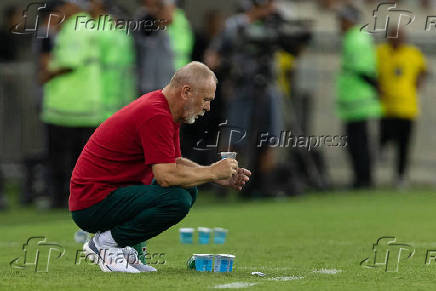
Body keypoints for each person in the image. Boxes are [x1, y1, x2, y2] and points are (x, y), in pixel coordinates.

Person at [70, 62, 251, 273]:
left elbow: (174, 162)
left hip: (105, 195)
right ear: (186, 92)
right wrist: (211, 171)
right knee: (177, 199)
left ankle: (124, 247)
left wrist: (214, 175)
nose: (208, 107)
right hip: (92, 203)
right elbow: (165, 176)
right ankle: (105, 244)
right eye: (206, 99)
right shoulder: (156, 114)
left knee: (187, 189)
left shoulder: (162, 108)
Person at [42, 1, 103, 208]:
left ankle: (63, 200)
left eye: (63, 6)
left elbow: (70, 62)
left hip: (68, 106)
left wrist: (47, 74)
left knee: (62, 158)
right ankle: (83, 199)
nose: (60, 12)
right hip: (84, 104)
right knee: (83, 159)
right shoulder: (87, 26)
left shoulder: (76, 28)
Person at [336, 4, 381, 189]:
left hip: (357, 100)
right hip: (357, 100)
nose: (339, 24)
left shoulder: (355, 39)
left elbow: (363, 70)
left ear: (350, 21)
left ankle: (362, 179)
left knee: (357, 144)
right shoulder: (359, 37)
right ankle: (362, 178)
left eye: (342, 20)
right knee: (359, 142)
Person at [376, 29, 427, 188]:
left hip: (407, 107)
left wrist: (419, 82)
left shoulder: (413, 53)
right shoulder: (380, 52)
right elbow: (373, 72)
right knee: (385, 134)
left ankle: (400, 176)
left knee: (404, 145)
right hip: (387, 107)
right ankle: (382, 148)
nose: (397, 40)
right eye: (393, 37)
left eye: (400, 37)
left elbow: (423, 70)